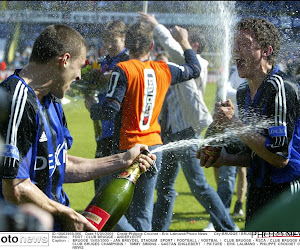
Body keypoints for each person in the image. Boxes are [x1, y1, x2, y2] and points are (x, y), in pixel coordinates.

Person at [0, 24, 156, 232]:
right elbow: (15, 188)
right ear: (64, 61)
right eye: (80, 66)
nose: (80, 76)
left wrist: (123, 160)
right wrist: (67, 214)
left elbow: (61, 164)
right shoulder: (16, 100)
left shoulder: (52, 99)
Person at [88, 19, 201, 231]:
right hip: (154, 149)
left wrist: (93, 106)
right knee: (142, 215)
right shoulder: (164, 69)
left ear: (128, 45)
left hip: (127, 149)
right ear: (151, 46)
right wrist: (185, 43)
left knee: (101, 209)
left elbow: (109, 111)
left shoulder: (123, 69)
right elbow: (194, 69)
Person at [140, 13, 238, 232]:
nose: (177, 44)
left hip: (186, 134)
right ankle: (159, 232)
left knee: (199, 186)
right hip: (170, 134)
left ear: (191, 46)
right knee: (164, 187)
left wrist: (156, 26)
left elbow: (175, 49)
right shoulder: (179, 65)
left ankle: (229, 229)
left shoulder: (198, 64)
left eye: (182, 42)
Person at [198, 17, 300, 228]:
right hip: (258, 188)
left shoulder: (280, 88)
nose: (235, 50)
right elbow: (255, 152)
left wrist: (234, 123)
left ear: (266, 51)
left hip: (286, 191)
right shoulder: (244, 93)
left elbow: (279, 158)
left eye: (244, 43)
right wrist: (224, 159)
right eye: (235, 43)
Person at [79, 20, 129, 194]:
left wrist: (106, 78)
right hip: (103, 126)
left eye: (113, 41)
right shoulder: (104, 61)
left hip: (117, 129)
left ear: (124, 39)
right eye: (106, 41)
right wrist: (86, 88)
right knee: (100, 180)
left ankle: (108, 220)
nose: (109, 45)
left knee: (108, 186)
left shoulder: (127, 61)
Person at [206, 65, 248, 231]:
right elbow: (220, 95)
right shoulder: (231, 70)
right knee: (224, 173)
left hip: (243, 129)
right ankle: (221, 217)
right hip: (226, 129)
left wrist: (225, 89)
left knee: (238, 172)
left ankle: (226, 215)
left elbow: (240, 93)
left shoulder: (250, 73)